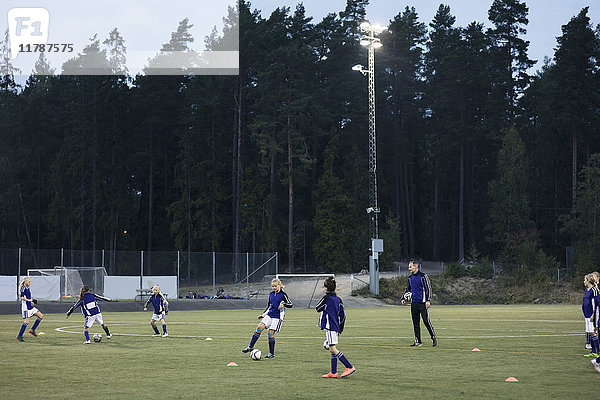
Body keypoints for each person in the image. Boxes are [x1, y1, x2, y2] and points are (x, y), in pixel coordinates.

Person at [241, 278, 293, 358]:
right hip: (269, 315)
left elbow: (290, 304)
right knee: (259, 327)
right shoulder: (271, 294)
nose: (274, 288)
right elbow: (269, 306)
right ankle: (250, 347)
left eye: (275, 286)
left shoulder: (283, 295)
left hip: (277, 317)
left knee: (270, 333)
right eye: (272, 286)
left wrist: (284, 305)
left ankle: (271, 353)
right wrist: (263, 315)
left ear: (279, 286)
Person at [316, 276, 356, 378]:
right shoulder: (339, 300)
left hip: (329, 326)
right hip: (335, 326)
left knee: (333, 349)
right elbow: (343, 316)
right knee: (331, 348)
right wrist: (340, 329)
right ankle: (333, 372)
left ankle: (349, 366)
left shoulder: (326, 298)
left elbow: (317, 307)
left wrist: (325, 306)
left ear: (326, 288)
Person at [402, 260, 437, 347]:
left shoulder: (423, 276)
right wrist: (403, 298)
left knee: (426, 321)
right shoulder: (410, 278)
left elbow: (428, 288)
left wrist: (428, 300)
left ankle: (433, 337)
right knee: (415, 322)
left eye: (410, 267)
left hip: (423, 303)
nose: (409, 268)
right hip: (414, 303)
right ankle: (418, 341)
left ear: (416, 267)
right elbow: (407, 289)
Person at [16, 277, 44, 341]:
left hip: (30, 307)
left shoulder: (27, 288)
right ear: (25, 281)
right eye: (29, 282)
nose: (30, 283)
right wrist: (29, 300)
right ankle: (19, 336)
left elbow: (28, 297)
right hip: (26, 308)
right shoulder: (23, 288)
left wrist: (31, 302)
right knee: (27, 322)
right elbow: (22, 297)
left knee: (41, 316)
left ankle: (32, 330)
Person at [582, 274, 599, 357]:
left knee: (593, 332)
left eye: (585, 280)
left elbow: (596, 303)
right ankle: (593, 351)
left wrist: (594, 314)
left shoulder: (594, 290)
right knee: (590, 332)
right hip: (587, 314)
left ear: (588, 281)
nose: (584, 281)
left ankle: (598, 352)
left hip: (592, 315)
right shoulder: (587, 290)